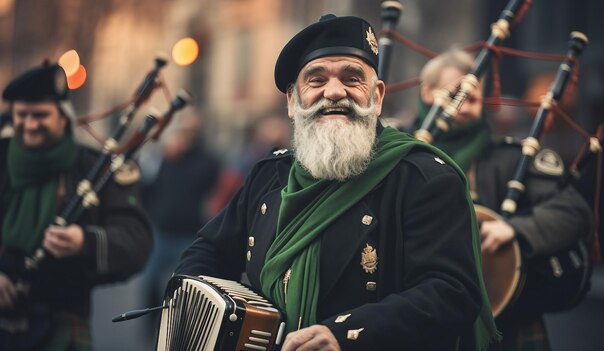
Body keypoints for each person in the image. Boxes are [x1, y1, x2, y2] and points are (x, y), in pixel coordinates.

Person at [175, 14, 499, 351]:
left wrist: (345, 335)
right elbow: (209, 250)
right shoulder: (268, 175)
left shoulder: (425, 179)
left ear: (377, 97)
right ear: (292, 101)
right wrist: (191, 299)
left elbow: (452, 292)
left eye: (352, 78)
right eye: (316, 80)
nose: (334, 91)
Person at [416, 49, 594, 350]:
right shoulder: (404, 155)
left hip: (507, 322)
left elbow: (574, 211)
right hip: (422, 317)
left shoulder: (510, 159)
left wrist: (517, 230)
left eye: (472, 99)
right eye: (455, 95)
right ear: (427, 93)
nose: (464, 106)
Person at [0, 63, 152, 350]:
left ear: (63, 118)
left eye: (41, 115)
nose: (30, 124)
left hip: (62, 320)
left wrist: (86, 241)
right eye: (22, 115)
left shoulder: (95, 167)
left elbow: (137, 242)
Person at [138, 107, 221, 338]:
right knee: (150, 281)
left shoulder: (208, 161)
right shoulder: (163, 158)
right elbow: (146, 188)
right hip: (160, 231)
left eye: (191, 129)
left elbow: (216, 193)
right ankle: (150, 326)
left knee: (182, 287)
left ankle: (175, 331)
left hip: (189, 234)